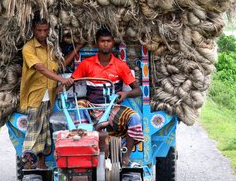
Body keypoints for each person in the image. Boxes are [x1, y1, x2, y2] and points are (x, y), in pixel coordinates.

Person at [71, 27, 143, 166]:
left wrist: (126, 93)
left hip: (112, 108)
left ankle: (126, 156)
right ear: (97, 43)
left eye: (108, 41)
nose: (105, 44)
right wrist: (64, 83)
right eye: (102, 41)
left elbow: (138, 90)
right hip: (91, 107)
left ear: (113, 43)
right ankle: (81, 151)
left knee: (135, 118)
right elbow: (70, 82)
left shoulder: (120, 65)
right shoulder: (87, 64)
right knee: (78, 106)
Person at [20, 15, 81, 169]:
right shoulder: (28, 48)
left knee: (45, 131)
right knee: (34, 127)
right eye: (39, 30)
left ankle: (41, 166)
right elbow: (40, 68)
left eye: (45, 30)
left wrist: (77, 48)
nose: (42, 34)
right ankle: (28, 161)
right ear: (33, 30)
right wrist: (61, 80)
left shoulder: (51, 48)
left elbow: (60, 65)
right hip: (35, 96)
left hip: (50, 97)